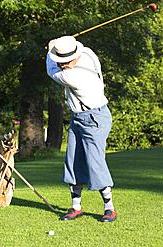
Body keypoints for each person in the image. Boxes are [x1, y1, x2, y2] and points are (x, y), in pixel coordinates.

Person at [46, 36, 116, 222]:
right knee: (73, 161)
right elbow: (76, 48)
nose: (62, 65)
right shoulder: (86, 53)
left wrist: (49, 50)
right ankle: (76, 206)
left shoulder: (72, 76)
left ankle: (109, 208)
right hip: (78, 118)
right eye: (60, 60)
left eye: (65, 62)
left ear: (74, 58)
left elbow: (50, 70)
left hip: (94, 118)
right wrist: (62, 44)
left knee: (95, 163)